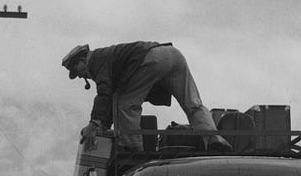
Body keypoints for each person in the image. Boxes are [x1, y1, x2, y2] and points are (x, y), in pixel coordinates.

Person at [61, 41, 232, 153]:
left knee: (125, 104)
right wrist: (103, 125)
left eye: (78, 71)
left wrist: (94, 124)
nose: (83, 75)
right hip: (173, 55)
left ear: (83, 59)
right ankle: (214, 139)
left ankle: (132, 150)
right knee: (193, 103)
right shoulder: (109, 57)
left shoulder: (97, 60)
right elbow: (109, 98)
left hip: (151, 60)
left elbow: (104, 93)